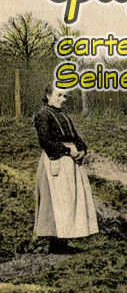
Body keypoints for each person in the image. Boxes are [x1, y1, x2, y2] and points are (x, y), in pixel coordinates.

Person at [33, 85, 99, 253]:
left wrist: (82, 149)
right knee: (58, 200)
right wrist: (68, 150)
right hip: (56, 160)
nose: (63, 99)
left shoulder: (63, 115)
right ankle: (56, 243)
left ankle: (64, 240)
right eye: (59, 95)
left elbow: (75, 137)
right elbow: (45, 141)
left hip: (71, 162)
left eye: (64, 96)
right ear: (48, 96)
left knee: (69, 200)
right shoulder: (43, 115)